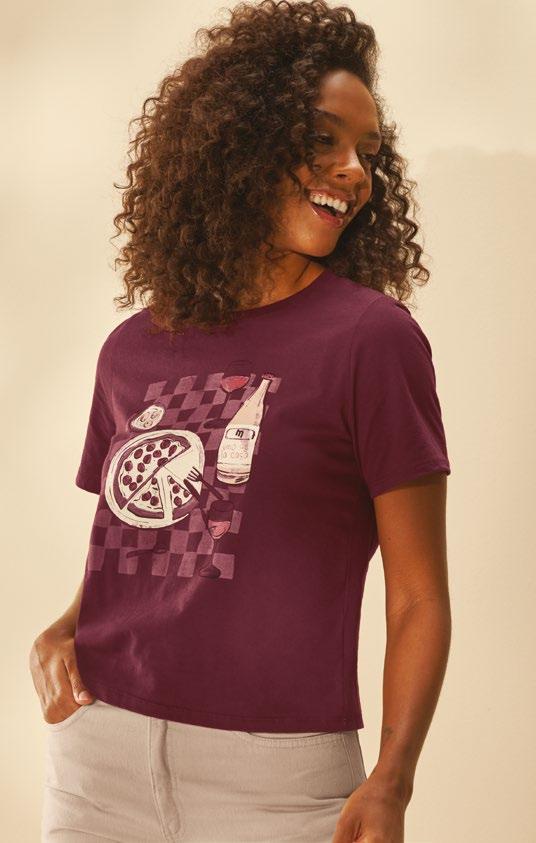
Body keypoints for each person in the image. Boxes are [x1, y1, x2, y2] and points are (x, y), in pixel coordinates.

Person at [29, 2, 452, 841]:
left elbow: (418, 595)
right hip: (97, 763)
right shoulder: (132, 348)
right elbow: (143, 528)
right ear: (240, 143)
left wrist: (392, 779)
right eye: (323, 139)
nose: (354, 171)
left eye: (368, 153)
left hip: (276, 781)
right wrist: (68, 622)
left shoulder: (371, 340)